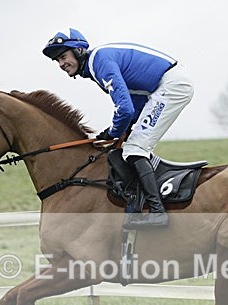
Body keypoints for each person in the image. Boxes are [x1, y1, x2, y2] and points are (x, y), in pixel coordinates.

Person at [43, 28, 194, 228]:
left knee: (135, 148)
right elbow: (137, 101)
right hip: (163, 87)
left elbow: (125, 109)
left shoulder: (99, 62)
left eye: (63, 56)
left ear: (79, 50)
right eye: (58, 61)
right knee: (125, 147)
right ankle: (140, 201)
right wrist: (122, 131)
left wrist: (113, 132)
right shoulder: (97, 64)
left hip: (171, 86)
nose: (62, 64)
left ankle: (157, 212)